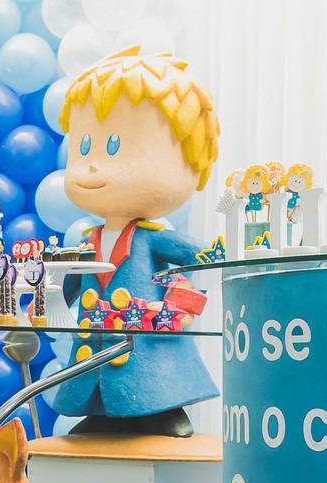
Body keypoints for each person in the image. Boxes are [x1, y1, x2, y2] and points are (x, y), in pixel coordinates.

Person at [54, 46, 220, 437]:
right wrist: (45, 301)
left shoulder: (152, 238)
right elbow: (69, 286)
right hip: (95, 349)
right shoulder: (86, 240)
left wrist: (183, 296)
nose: (92, 164)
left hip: (148, 349)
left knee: (151, 373)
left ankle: (163, 408)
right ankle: (98, 408)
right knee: (92, 371)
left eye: (114, 147)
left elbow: (206, 258)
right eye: (83, 148)